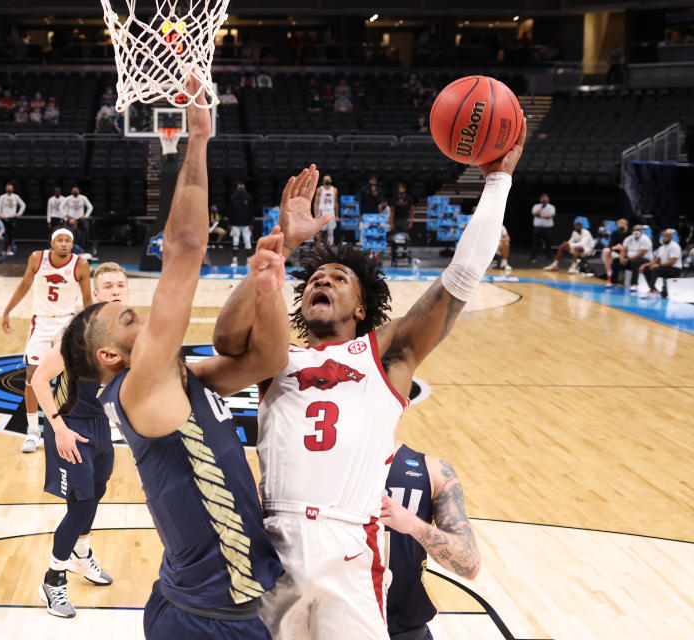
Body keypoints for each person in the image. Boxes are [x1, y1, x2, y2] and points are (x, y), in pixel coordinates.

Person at [212, 118, 526, 639]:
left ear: (363, 306)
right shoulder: (274, 356)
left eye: (338, 278)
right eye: (314, 278)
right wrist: (280, 249)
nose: (322, 281)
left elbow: (462, 277)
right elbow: (226, 339)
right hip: (274, 541)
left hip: (350, 542)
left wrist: (497, 183)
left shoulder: (388, 354)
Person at [51, 82, 285, 638]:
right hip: (209, 617)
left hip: (212, 603)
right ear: (111, 355)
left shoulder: (181, 380)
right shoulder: (140, 389)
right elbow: (184, 248)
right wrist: (198, 139)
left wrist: (271, 273)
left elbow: (265, 358)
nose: (146, 318)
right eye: (130, 320)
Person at [28, 262, 130, 618]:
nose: (116, 290)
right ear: (97, 293)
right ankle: (53, 579)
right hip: (70, 427)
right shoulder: (77, 332)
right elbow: (39, 380)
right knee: (82, 504)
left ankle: (81, 557)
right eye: (108, 286)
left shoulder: (129, 331)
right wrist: (57, 429)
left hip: (101, 427)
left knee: (96, 495)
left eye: (121, 284)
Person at [1, 229, 92, 453]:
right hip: (40, 323)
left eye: (68, 241)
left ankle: (70, 425)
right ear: (52, 242)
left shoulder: (80, 264)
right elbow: (24, 285)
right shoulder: (36, 258)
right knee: (32, 376)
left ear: (72, 244)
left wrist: (93, 328)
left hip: (66, 324)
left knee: (72, 376)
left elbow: (88, 297)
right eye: (59, 240)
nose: (63, 244)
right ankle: (33, 430)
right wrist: (7, 311)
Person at [380, 442, 481, 640]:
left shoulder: (433, 471)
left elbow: (469, 565)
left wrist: (414, 525)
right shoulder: (323, 466)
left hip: (404, 632)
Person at [640, 229, 682, 297]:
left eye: (667, 236)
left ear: (671, 237)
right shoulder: (661, 248)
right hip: (664, 267)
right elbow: (656, 260)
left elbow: (672, 261)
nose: (665, 238)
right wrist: (644, 265)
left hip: (675, 269)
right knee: (646, 269)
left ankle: (651, 290)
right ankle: (653, 289)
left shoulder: (674, 246)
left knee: (655, 269)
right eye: (664, 236)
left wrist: (658, 265)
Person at [613, 224, 653, 290]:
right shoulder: (629, 238)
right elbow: (624, 249)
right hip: (630, 259)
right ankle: (614, 282)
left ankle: (634, 284)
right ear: (632, 231)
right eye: (635, 230)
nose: (636, 232)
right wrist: (621, 258)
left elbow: (641, 253)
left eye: (638, 230)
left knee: (635, 262)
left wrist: (628, 259)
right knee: (616, 261)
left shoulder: (645, 239)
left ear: (641, 231)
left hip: (644, 260)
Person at [228, 182, 255, 266]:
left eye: (242, 187)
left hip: (246, 225)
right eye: (239, 187)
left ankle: (249, 261)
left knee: (247, 242)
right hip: (235, 225)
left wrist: (251, 224)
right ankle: (234, 261)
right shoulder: (233, 198)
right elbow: (230, 212)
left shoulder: (248, 198)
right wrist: (230, 224)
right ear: (237, 188)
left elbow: (251, 212)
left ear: (244, 188)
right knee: (235, 242)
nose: (240, 188)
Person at [0, 182, 26, 256]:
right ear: (6, 189)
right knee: (3, 234)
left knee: (10, 235)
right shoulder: (2, 197)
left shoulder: (16, 197)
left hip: (12, 218)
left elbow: (23, 205)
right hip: (4, 218)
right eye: (8, 188)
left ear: (12, 189)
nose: (9, 189)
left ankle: (9, 249)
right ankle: (2, 249)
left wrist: (19, 213)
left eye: (10, 188)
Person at [602, 218, 630, 284]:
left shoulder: (630, 234)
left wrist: (623, 248)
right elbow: (610, 245)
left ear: (626, 226)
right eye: (619, 226)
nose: (621, 228)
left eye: (622, 226)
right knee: (606, 251)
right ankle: (609, 276)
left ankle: (624, 278)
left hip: (627, 254)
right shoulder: (615, 233)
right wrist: (614, 247)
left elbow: (632, 248)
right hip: (616, 253)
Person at [312, 175, 338, 245]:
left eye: (328, 179)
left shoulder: (334, 190)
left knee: (330, 232)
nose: (327, 181)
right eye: (325, 179)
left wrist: (336, 215)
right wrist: (316, 215)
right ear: (323, 181)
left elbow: (336, 203)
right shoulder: (320, 189)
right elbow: (316, 203)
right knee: (320, 232)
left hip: (331, 212)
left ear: (331, 181)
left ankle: (330, 249)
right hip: (322, 211)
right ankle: (317, 249)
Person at [529, 193, 555, 263]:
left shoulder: (551, 207)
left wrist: (540, 216)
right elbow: (534, 213)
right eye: (543, 198)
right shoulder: (536, 206)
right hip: (537, 228)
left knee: (548, 244)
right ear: (540, 199)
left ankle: (549, 258)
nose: (544, 200)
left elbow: (550, 215)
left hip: (548, 228)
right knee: (535, 243)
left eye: (546, 198)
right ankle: (533, 258)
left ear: (548, 199)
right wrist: (542, 207)